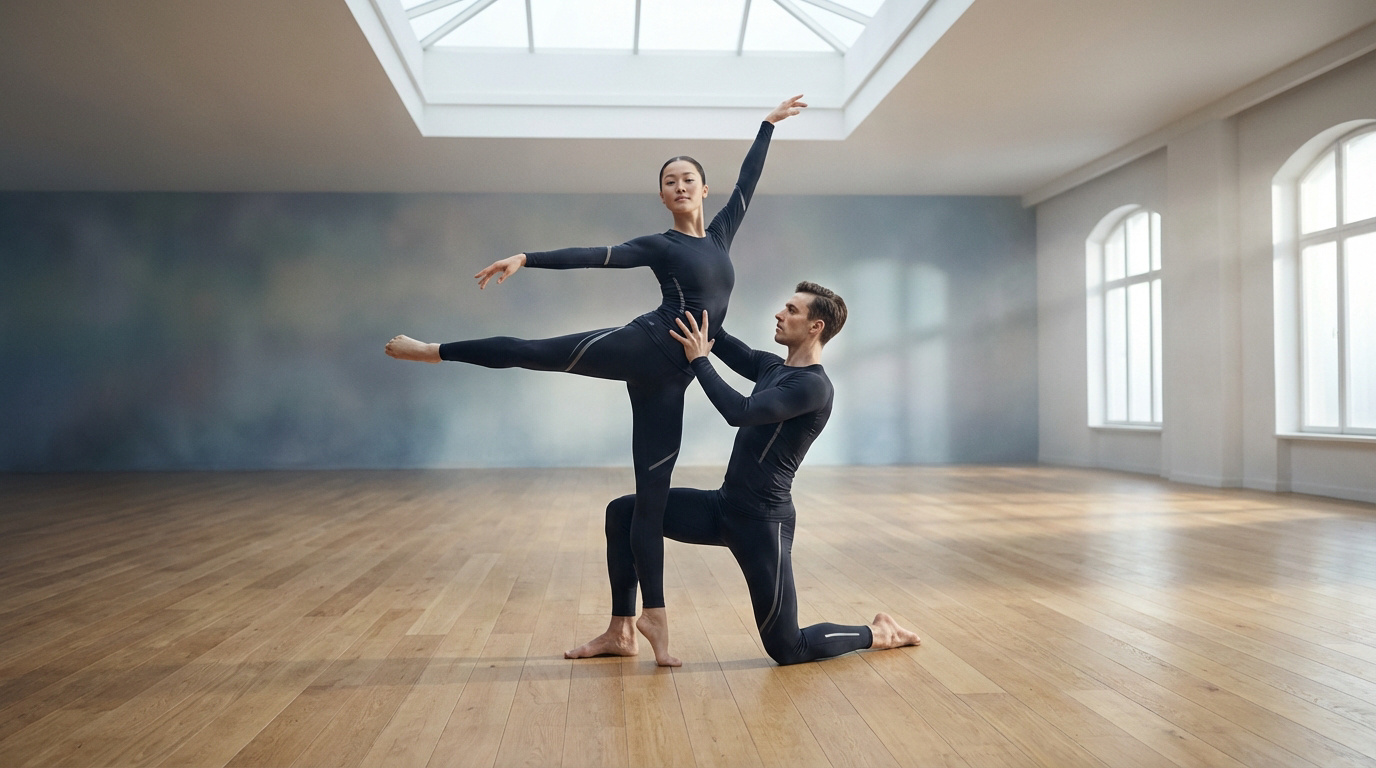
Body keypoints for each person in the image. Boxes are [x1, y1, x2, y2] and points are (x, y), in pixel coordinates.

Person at [384, 96, 806, 666]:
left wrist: (766, 126)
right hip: (646, 344)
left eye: (688, 179)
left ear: (704, 190)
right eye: (669, 182)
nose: (680, 186)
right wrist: (526, 258)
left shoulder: (721, 235)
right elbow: (596, 256)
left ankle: (638, 624)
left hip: (674, 379)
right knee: (535, 352)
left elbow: (748, 183)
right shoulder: (661, 245)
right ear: (663, 197)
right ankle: (433, 351)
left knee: (650, 500)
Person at [566, 282, 921, 665]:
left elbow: (740, 411)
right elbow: (717, 336)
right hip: (722, 508)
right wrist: (687, 295)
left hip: (762, 525)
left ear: (815, 327)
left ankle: (879, 632)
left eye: (792, 310)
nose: (779, 314)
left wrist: (699, 360)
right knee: (623, 513)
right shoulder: (771, 367)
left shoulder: (814, 387)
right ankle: (621, 632)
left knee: (787, 647)